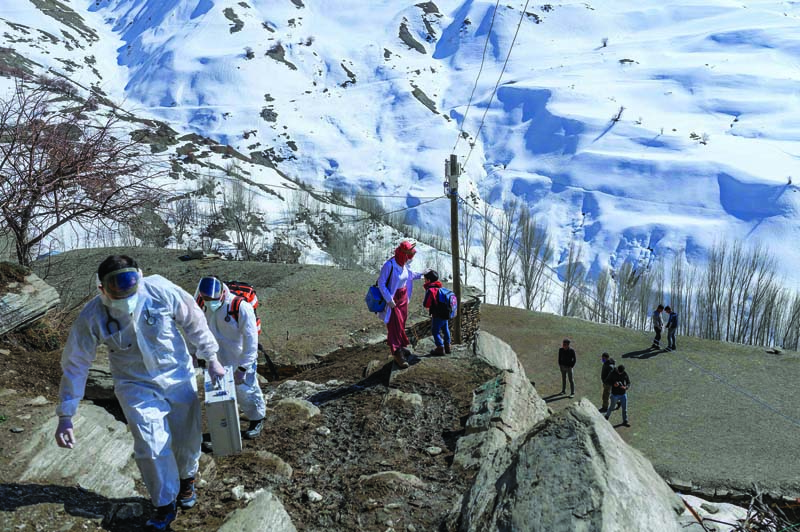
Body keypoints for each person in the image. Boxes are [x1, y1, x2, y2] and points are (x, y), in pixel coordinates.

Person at [54, 255, 225, 531]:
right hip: (135, 384)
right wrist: (66, 413)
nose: (125, 290)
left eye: (130, 281)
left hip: (177, 375)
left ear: (140, 277)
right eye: (115, 285)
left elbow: (194, 319)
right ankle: (164, 504)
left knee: (186, 437)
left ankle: (186, 479)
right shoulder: (94, 315)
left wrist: (212, 357)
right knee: (150, 443)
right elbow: (76, 363)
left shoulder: (161, 290)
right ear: (101, 289)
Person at [195, 276, 266, 440]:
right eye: (206, 299)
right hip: (215, 358)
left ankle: (257, 419)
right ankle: (223, 431)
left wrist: (243, 367)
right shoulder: (200, 303)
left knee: (246, 391)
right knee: (218, 395)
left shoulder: (239, 306)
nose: (209, 302)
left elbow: (251, 340)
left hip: (239, 357)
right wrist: (198, 354)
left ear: (221, 294)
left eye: (212, 299)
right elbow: (196, 329)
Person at [377, 241, 424, 368]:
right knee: (394, 325)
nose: (410, 258)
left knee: (401, 323)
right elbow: (381, 283)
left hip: (403, 297)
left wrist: (422, 274)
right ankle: (397, 353)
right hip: (393, 298)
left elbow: (408, 275)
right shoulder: (390, 265)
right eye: (409, 254)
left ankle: (401, 348)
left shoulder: (403, 264)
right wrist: (389, 300)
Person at [422, 270, 451, 356]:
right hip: (445, 313)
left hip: (437, 314)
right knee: (446, 329)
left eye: (425, 280)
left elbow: (426, 304)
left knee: (435, 331)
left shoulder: (431, 290)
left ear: (429, 280)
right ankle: (448, 346)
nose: (424, 281)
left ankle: (440, 347)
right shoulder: (441, 288)